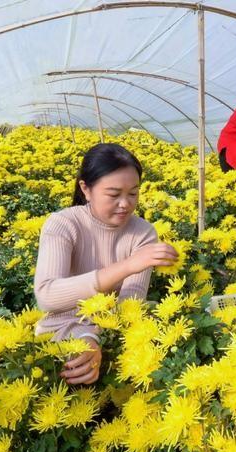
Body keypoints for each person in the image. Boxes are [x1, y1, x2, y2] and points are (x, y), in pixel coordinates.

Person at [33, 143, 178, 385]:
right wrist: (128, 265)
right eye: (113, 194)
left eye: (133, 193)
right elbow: (47, 296)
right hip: (59, 331)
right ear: (86, 189)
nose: (126, 204)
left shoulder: (143, 233)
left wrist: (93, 336)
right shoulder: (63, 224)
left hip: (114, 333)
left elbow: (130, 306)